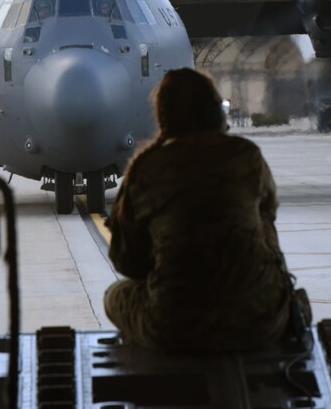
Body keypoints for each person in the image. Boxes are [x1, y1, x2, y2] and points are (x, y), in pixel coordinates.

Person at [103, 68, 298, 354]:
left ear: (163, 117)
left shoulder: (146, 169)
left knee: (114, 296)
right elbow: (269, 217)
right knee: (263, 217)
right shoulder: (246, 155)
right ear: (215, 113)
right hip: (260, 319)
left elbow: (127, 263)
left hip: (174, 328)